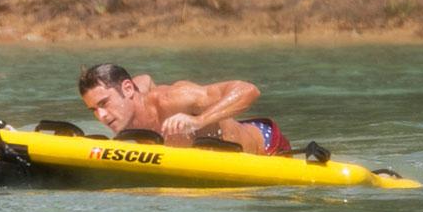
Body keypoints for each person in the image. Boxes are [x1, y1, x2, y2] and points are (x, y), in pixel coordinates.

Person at [78, 63, 291, 155]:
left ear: (126, 88)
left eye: (104, 104)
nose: (102, 116)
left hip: (267, 146)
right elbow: (144, 80)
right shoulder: (132, 96)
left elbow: (248, 90)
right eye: (94, 110)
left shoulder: (176, 99)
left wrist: (198, 121)